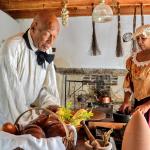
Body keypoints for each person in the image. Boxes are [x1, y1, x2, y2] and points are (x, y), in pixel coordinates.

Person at [0, 12, 60, 125]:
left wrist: (50, 107)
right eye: (48, 34)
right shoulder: (11, 47)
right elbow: (10, 95)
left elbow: (47, 87)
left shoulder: (47, 49)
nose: (51, 42)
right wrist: (31, 119)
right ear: (33, 27)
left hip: (25, 112)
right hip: (6, 117)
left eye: (54, 37)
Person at [119, 24, 150, 126]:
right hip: (138, 105)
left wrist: (147, 105)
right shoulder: (133, 60)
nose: (139, 42)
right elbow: (129, 82)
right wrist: (126, 101)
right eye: (137, 39)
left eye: (143, 38)